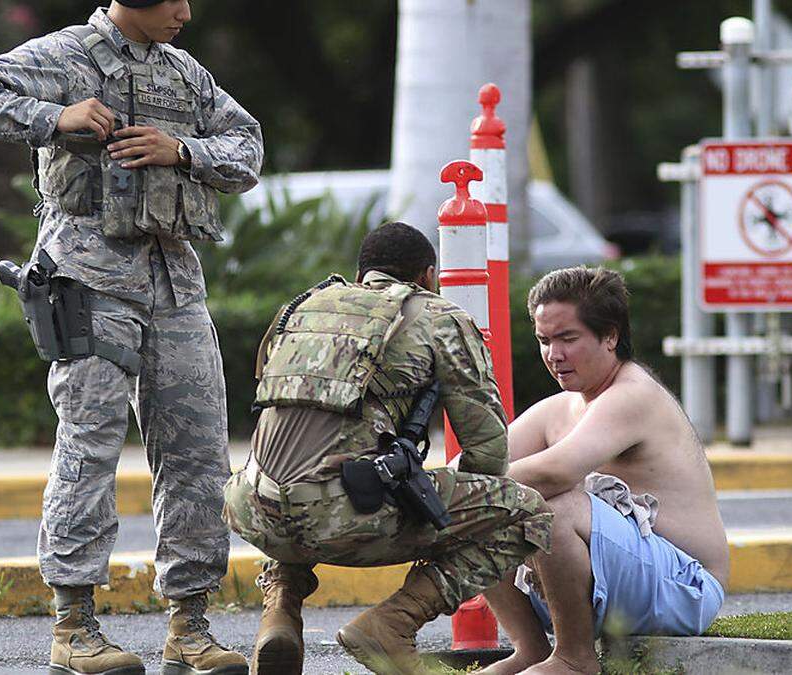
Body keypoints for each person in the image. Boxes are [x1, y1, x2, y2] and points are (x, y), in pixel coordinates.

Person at [0, 2, 262, 674]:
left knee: (198, 452)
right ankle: (74, 626)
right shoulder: (67, 55)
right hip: (87, 279)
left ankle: (189, 627)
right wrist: (56, 117)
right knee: (89, 445)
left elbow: (248, 145)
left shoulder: (184, 73)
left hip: (175, 283)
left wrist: (185, 150)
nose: (186, 12)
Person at [222, 222, 553, 675]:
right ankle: (393, 624)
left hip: (251, 507)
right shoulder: (440, 317)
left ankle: (280, 609)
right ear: (427, 277)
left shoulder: (301, 309)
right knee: (527, 512)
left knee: (301, 472)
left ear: (362, 277)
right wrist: (449, 513)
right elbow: (488, 453)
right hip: (342, 514)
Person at [479, 266, 729, 675]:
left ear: (610, 336)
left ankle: (575, 659)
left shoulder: (633, 394)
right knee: (475, 505)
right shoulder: (559, 407)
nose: (553, 355)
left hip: (685, 587)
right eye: (544, 341)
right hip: (625, 581)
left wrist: (455, 487)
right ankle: (531, 650)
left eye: (567, 339)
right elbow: (478, 463)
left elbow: (557, 472)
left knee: (549, 504)